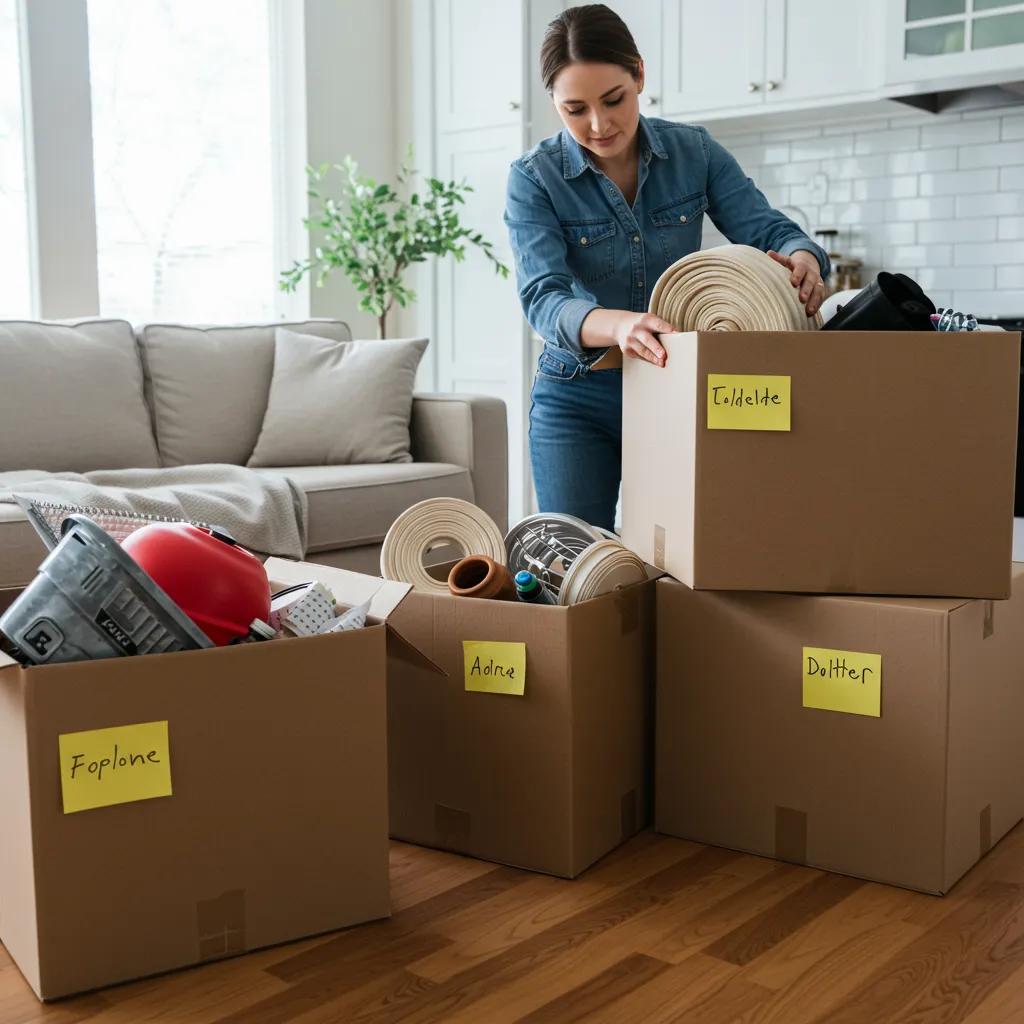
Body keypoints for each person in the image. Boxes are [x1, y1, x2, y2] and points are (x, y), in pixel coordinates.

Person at [505, 3, 830, 531]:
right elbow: (544, 297)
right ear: (553, 104)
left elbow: (771, 231)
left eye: (614, 100)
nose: (598, 124)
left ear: (639, 74)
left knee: (694, 556)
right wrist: (620, 325)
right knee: (575, 567)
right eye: (574, 109)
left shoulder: (694, 152)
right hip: (577, 396)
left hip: (682, 389)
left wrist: (801, 258)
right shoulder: (533, 178)